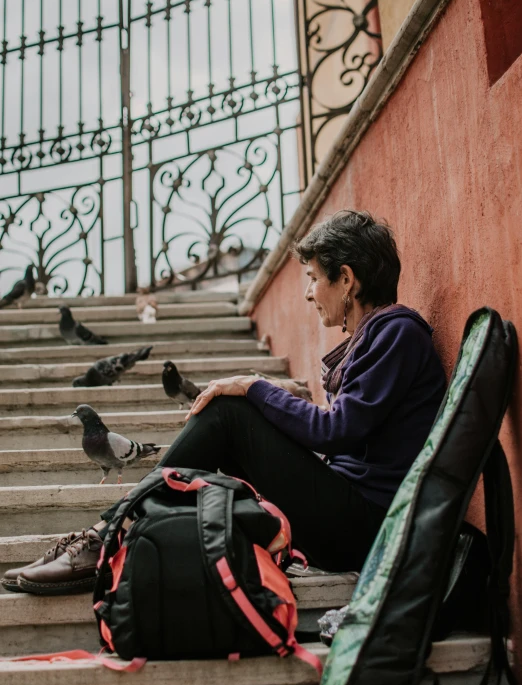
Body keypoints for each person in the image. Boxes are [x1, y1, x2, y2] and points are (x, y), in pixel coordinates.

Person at [2, 210, 446, 595]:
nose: (309, 293)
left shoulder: (398, 333)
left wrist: (255, 387)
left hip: (366, 528)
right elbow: (347, 428)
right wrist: (274, 397)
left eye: (313, 278)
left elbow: (338, 431)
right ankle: (122, 535)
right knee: (233, 415)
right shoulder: (381, 338)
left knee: (230, 412)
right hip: (347, 516)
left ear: (346, 279)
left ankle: (107, 535)